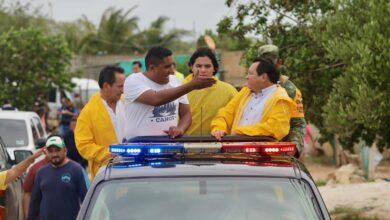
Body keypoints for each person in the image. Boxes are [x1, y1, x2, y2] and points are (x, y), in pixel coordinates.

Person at [121, 46, 216, 140]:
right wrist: (191, 85)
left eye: (172, 65)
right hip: (137, 147)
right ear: (152, 68)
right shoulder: (134, 80)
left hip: (169, 147)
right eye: (167, 67)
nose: (171, 71)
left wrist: (180, 129)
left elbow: (186, 115)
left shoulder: (175, 81)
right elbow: (155, 99)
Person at [211, 58, 294, 141]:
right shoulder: (245, 92)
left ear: (263, 77)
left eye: (250, 73)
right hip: (234, 150)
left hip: (262, 153)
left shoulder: (281, 99)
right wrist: (218, 128)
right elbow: (225, 114)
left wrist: (239, 132)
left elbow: (275, 128)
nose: (246, 77)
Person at [75, 65, 125, 179]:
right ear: (106, 86)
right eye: (120, 86)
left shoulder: (127, 103)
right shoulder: (88, 112)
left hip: (132, 170)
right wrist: (109, 154)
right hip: (106, 176)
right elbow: (83, 145)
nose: (123, 90)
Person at [258, 44, 306, 157]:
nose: (267, 68)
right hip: (252, 149)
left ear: (279, 63)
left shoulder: (290, 90)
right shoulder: (251, 87)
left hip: (279, 152)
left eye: (271, 63)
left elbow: (297, 124)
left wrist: (294, 146)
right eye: (264, 64)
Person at [27, 136, 89, 220]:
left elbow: (86, 200)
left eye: (58, 150)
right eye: (51, 151)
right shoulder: (41, 173)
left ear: (65, 150)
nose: (54, 154)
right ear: (46, 153)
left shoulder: (76, 169)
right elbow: (34, 202)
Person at [183, 47, 237, 135]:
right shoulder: (180, 88)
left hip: (218, 142)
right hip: (183, 143)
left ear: (214, 68)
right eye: (198, 66)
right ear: (191, 67)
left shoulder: (229, 91)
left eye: (207, 66)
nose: (203, 70)